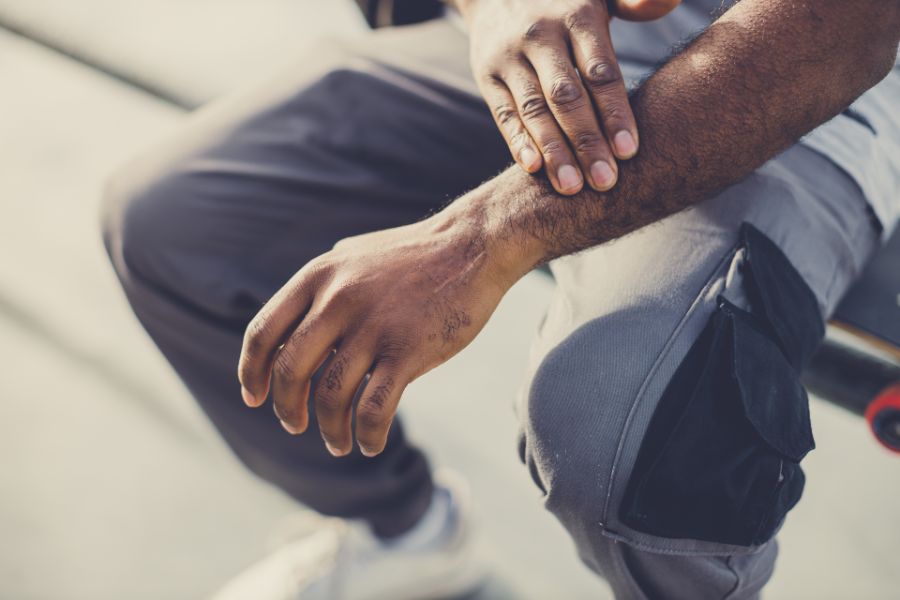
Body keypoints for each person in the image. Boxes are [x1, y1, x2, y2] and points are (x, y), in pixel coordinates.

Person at [101, 0, 900, 597]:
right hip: (564, 39)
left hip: (805, 98)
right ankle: (408, 536)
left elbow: (843, 28)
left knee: (628, 440)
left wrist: (476, 243)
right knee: (175, 221)